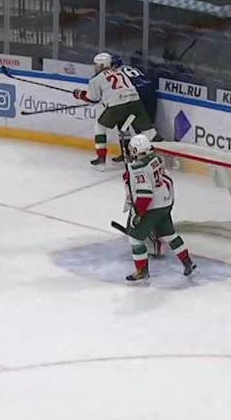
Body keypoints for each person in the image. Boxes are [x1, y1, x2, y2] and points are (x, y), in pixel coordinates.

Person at [122, 135, 195, 283]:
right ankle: (187, 262)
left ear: (135, 150)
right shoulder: (155, 158)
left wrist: (138, 214)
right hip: (165, 203)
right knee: (169, 235)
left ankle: (142, 271)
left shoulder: (138, 169)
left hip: (152, 208)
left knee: (135, 238)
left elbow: (145, 195)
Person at [73, 52, 159, 168]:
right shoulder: (120, 72)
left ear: (102, 65)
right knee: (147, 131)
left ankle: (101, 159)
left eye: (96, 65)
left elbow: (92, 100)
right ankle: (159, 152)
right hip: (135, 102)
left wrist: (79, 94)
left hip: (118, 105)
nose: (95, 67)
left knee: (100, 127)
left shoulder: (96, 79)